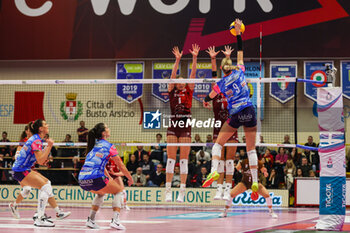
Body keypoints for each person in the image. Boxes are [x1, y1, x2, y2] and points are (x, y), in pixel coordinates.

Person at [202, 19, 259, 197]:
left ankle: (213, 169)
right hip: (249, 112)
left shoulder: (221, 83)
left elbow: (210, 95)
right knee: (251, 149)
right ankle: (255, 181)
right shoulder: (240, 71)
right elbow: (241, 51)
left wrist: (205, 100)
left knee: (218, 144)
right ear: (232, 66)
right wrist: (238, 33)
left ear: (221, 69)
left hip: (235, 114)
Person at [11, 120, 70, 227]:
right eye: (45, 124)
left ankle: (55, 213)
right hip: (20, 170)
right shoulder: (36, 140)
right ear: (41, 129)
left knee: (47, 183)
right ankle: (40, 218)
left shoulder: (37, 139)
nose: (48, 125)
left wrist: (45, 156)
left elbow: (40, 160)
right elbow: (40, 160)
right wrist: (49, 146)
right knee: (46, 186)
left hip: (24, 169)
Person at [78, 123, 133, 230]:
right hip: (95, 178)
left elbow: (99, 166)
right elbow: (120, 165)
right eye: (107, 127)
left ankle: (91, 220)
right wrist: (130, 178)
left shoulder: (93, 145)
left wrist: (109, 178)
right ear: (104, 133)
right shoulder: (109, 146)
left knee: (101, 193)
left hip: (82, 180)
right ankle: (115, 221)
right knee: (119, 191)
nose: (109, 129)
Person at [165, 44, 199, 202]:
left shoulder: (189, 90)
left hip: (186, 126)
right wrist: (177, 60)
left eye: (183, 81)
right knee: (171, 159)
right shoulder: (172, 90)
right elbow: (172, 76)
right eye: (179, 81)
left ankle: (182, 191)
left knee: (184, 160)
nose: (181, 82)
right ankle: (168, 190)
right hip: (173, 126)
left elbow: (193, 74)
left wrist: (194, 57)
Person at [206, 45, 238, 200]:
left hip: (232, 126)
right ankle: (218, 189)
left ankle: (227, 189)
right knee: (219, 160)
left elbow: (235, 71)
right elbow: (214, 75)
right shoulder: (216, 88)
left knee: (230, 161)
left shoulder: (233, 89)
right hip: (218, 127)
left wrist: (229, 58)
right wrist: (213, 58)